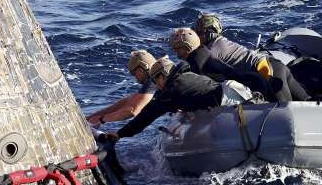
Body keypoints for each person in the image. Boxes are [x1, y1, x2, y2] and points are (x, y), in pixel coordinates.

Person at [101, 58, 236, 140]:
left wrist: (120, 134)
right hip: (233, 94)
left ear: (162, 76)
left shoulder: (171, 92)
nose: (157, 86)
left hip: (225, 108)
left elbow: (146, 116)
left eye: (155, 80)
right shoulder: (188, 76)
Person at [193, 13, 312, 102]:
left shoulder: (212, 50)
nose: (197, 36)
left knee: (285, 109)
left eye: (199, 33)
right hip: (275, 65)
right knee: (308, 101)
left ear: (207, 33)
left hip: (268, 71)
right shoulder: (223, 42)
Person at [168, 27, 278, 100]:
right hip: (254, 79)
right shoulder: (203, 51)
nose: (175, 51)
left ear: (187, 47)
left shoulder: (195, 63)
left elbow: (201, 90)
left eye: (177, 48)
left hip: (252, 86)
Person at [85, 50, 156, 127]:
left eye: (133, 72)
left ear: (140, 70)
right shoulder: (155, 79)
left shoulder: (152, 82)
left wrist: (101, 119)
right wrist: (91, 117)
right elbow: (127, 102)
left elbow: (132, 111)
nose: (135, 77)